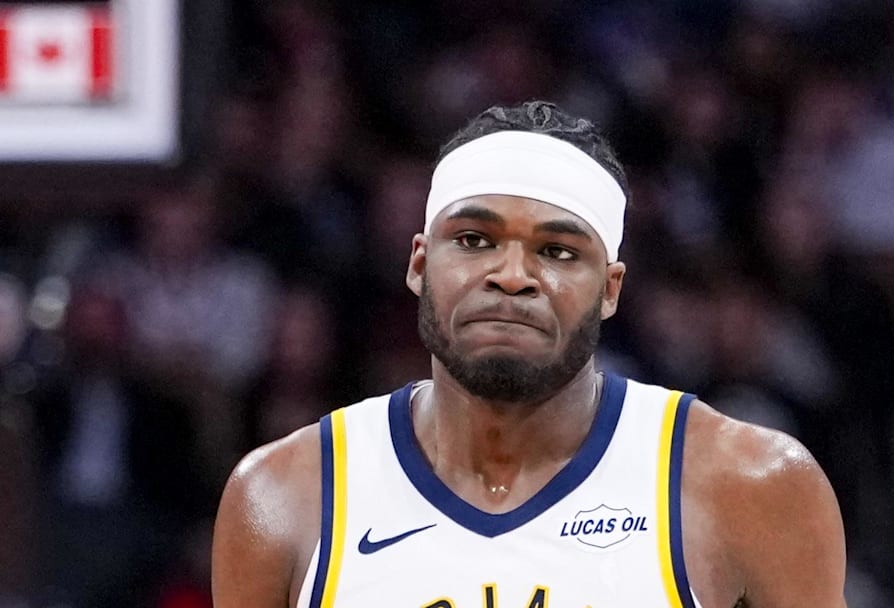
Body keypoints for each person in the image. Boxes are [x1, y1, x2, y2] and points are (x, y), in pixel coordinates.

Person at [211, 101, 847, 607]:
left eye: (558, 251)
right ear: (420, 263)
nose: (512, 274)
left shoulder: (751, 485)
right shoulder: (282, 497)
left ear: (610, 290)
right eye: (473, 239)